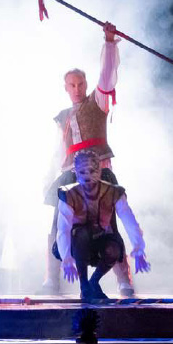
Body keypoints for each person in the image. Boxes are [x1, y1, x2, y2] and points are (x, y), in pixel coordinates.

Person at [41, 22, 136, 296]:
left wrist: (108, 42)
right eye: (72, 84)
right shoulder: (62, 117)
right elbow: (58, 151)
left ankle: (124, 281)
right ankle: (52, 279)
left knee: (110, 223)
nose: (77, 88)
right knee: (58, 223)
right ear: (65, 87)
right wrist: (48, 176)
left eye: (81, 83)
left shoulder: (98, 102)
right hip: (71, 174)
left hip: (100, 172)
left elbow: (108, 77)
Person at [53, 150, 150, 300]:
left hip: (101, 243)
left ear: (99, 171)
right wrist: (66, 257)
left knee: (114, 248)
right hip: (77, 245)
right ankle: (84, 285)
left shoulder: (113, 192)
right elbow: (63, 228)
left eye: (92, 171)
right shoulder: (69, 194)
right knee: (81, 233)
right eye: (83, 172)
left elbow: (128, 219)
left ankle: (94, 282)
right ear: (76, 173)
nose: (87, 176)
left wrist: (138, 247)